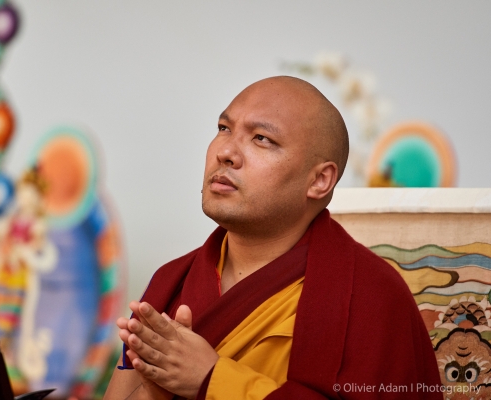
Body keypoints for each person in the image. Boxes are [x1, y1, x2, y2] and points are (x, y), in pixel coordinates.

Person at [105, 76, 442, 399]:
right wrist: (156, 390)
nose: (226, 152)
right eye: (224, 128)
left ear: (319, 180)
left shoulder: (371, 296)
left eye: (261, 138)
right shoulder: (172, 282)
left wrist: (211, 380)